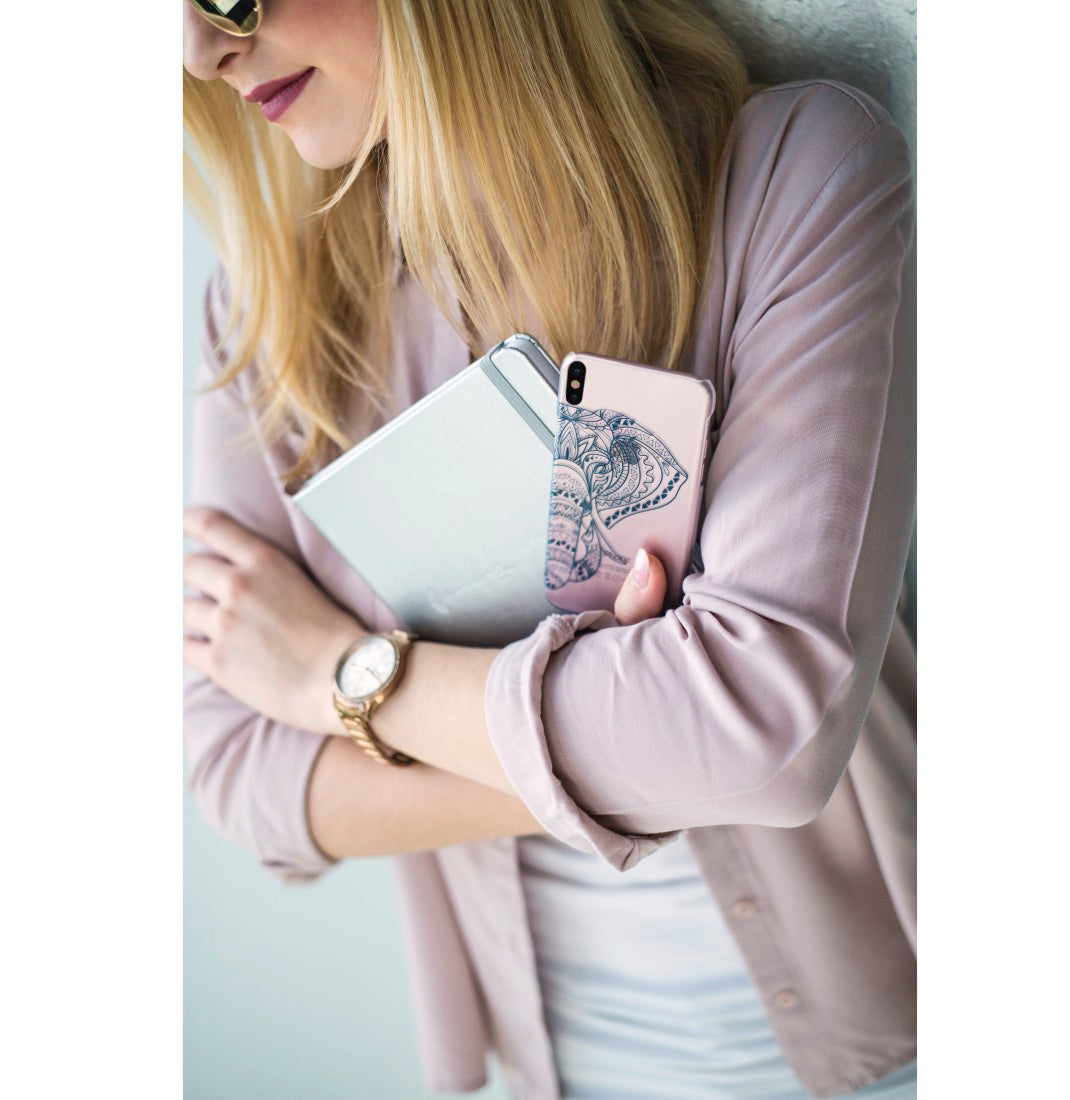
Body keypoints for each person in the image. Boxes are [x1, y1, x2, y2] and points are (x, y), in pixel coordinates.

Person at [182, 1, 917, 1097]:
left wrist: (341, 675)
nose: (199, 52)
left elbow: (766, 737)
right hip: (560, 1068)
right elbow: (239, 773)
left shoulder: (788, 173)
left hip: (888, 1041)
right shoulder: (270, 311)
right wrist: (651, 737)